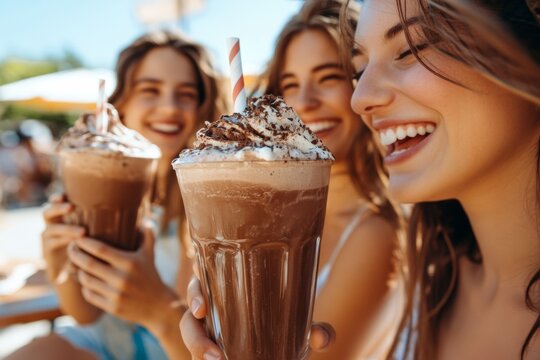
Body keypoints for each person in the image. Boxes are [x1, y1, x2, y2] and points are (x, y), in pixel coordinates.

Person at [180, 1, 405, 359]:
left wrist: (155, 314)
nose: (305, 102)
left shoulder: (378, 233)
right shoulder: (256, 214)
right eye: (290, 83)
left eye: (329, 77)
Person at [7, 30, 227, 360]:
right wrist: (60, 265)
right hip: (99, 343)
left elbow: (206, 345)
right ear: (120, 102)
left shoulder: (210, 197)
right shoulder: (98, 182)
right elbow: (87, 315)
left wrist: (156, 305)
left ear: (202, 107)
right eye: (150, 90)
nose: (168, 107)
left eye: (185, 94)